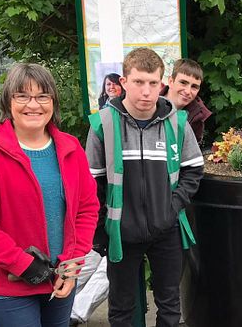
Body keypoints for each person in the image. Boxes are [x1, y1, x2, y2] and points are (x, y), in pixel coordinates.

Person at [0, 63, 99, 327]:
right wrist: (22, 264)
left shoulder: (70, 147)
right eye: (22, 96)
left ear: (53, 101)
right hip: (5, 285)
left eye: (43, 96)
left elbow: (87, 209)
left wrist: (71, 266)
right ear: (8, 101)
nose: (34, 104)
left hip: (59, 279)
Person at [86, 47, 204, 327]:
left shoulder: (177, 121)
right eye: (138, 82)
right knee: (122, 308)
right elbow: (92, 183)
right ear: (124, 83)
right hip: (121, 232)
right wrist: (101, 227)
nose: (146, 92)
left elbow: (194, 170)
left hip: (166, 231)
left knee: (169, 305)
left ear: (162, 84)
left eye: (153, 83)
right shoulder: (102, 124)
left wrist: (172, 207)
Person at [161, 58, 212, 143]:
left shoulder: (198, 115)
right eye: (183, 83)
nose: (188, 91)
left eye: (194, 87)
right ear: (171, 81)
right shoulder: (151, 104)